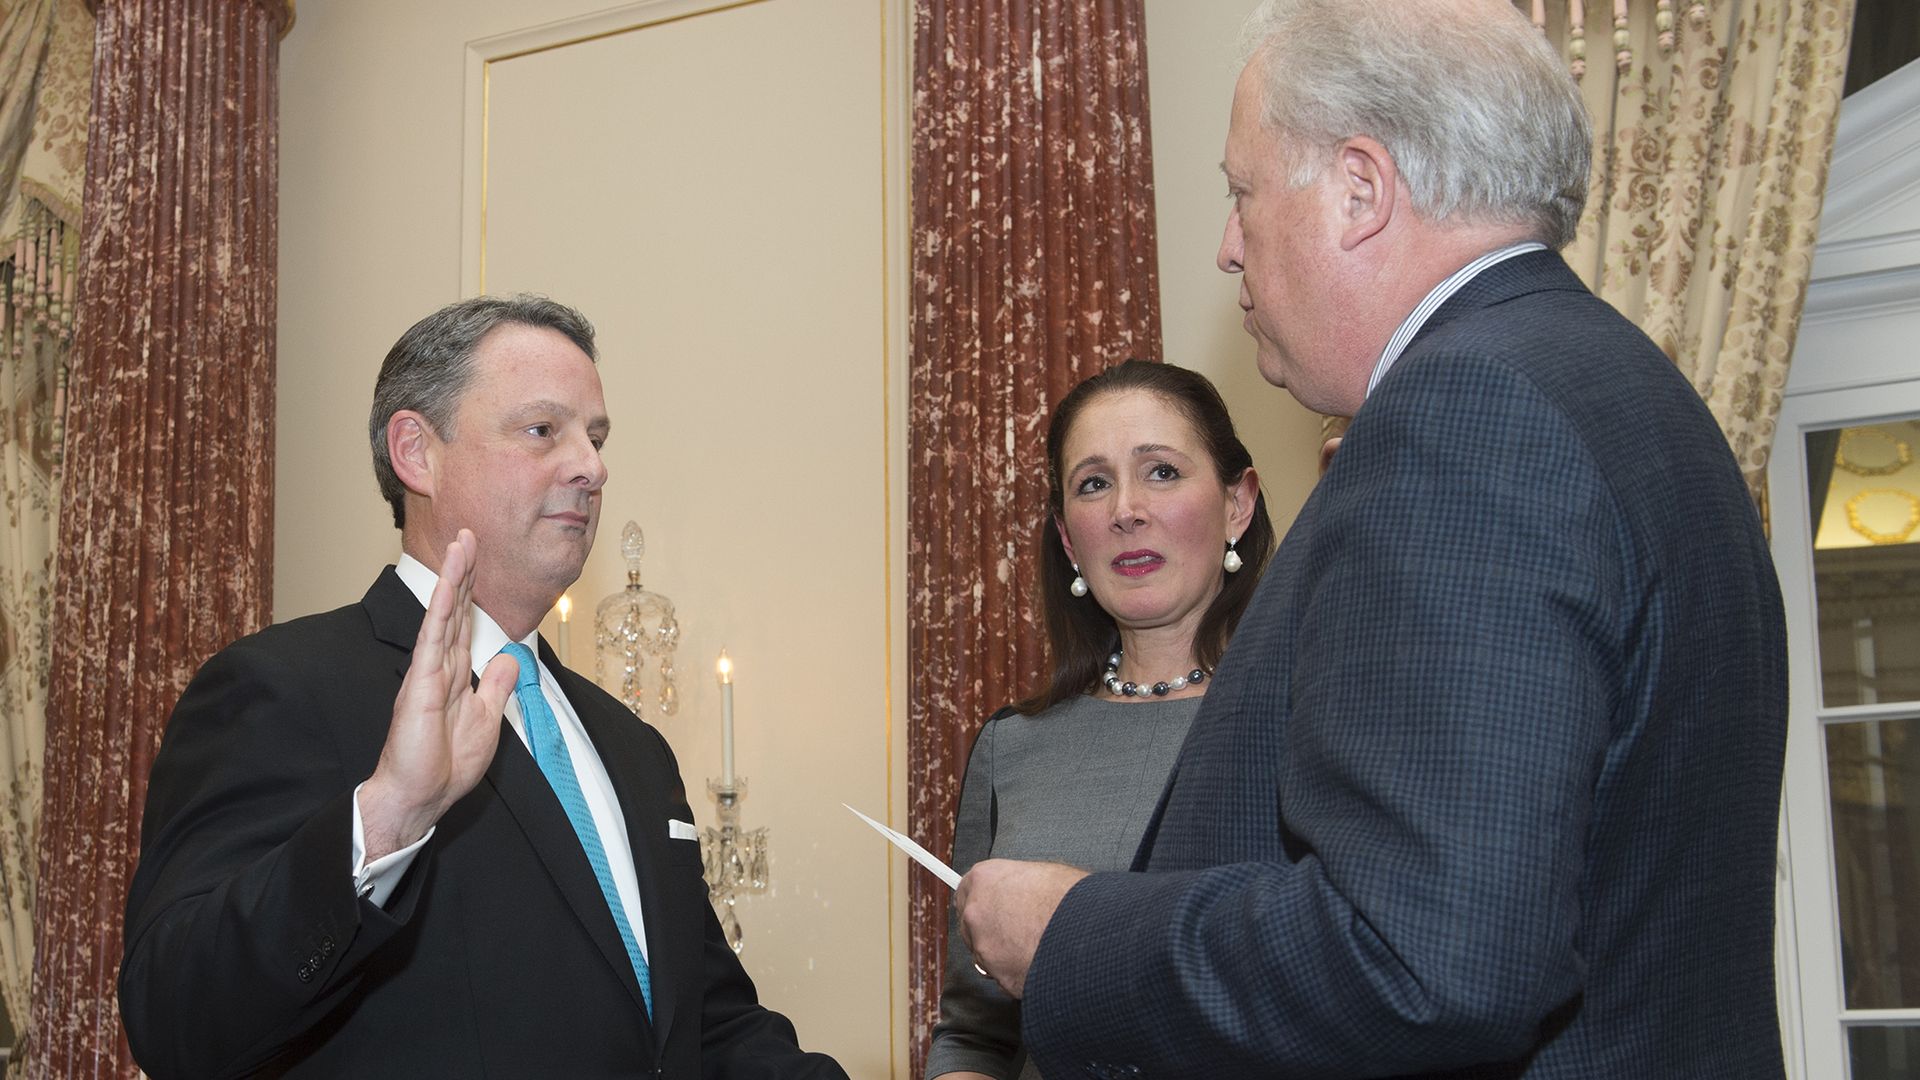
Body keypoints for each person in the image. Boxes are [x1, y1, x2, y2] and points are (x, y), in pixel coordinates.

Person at [955, 1, 1789, 1077]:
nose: (1225, 247)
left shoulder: (1466, 414)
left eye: (1241, 193)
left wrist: (1075, 934)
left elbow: (1421, 959)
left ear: (1359, 190)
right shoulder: (1625, 391)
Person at [119, 295, 849, 1079]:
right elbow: (176, 1018)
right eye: (544, 431)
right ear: (416, 453)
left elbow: (712, 1028)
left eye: (596, 439)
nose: (592, 467)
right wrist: (388, 816)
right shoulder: (281, 687)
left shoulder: (633, 749)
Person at [926, 360, 1272, 1080]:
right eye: (1094, 483)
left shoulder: (1304, 721)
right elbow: (974, 1034)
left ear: (1238, 503)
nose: (1126, 509)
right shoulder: (1011, 747)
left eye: (1163, 472)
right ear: (1066, 536)